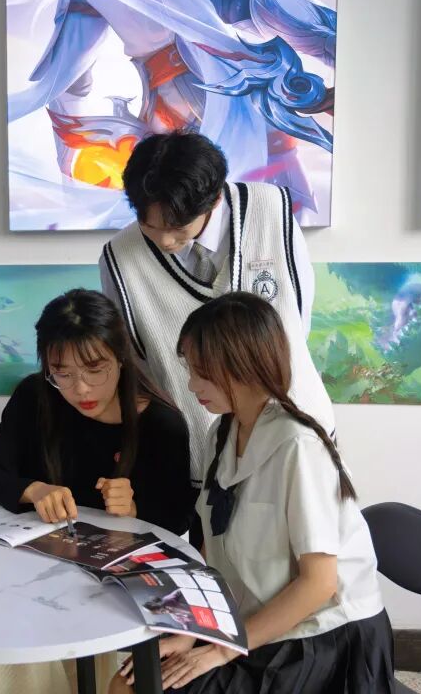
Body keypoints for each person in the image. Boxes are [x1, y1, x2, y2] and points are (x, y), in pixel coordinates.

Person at [111, 292, 393, 694]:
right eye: (191, 370)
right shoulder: (221, 432)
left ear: (243, 365)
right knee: (129, 680)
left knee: (138, 688)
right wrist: (192, 630)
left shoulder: (299, 448)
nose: (191, 385)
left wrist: (220, 649)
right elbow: (213, 547)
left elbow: (318, 585)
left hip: (321, 637)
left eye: (202, 372)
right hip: (254, 618)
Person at [0, 288, 194, 694]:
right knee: (18, 639)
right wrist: (33, 489)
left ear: (120, 358)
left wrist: (135, 508)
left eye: (94, 370)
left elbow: (176, 523)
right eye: (62, 373)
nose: (81, 389)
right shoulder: (35, 396)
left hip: (115, 583)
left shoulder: (160, 424)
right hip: (34, 573)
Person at [99, 131, 334, 505]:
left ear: (215, 199)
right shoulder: (120, 258)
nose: (164, 241)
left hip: (294, 433)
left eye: (178, 227)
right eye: (150, 226)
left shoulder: (270, 209)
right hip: (200, 452)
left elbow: (296, 320)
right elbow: (141, 364)